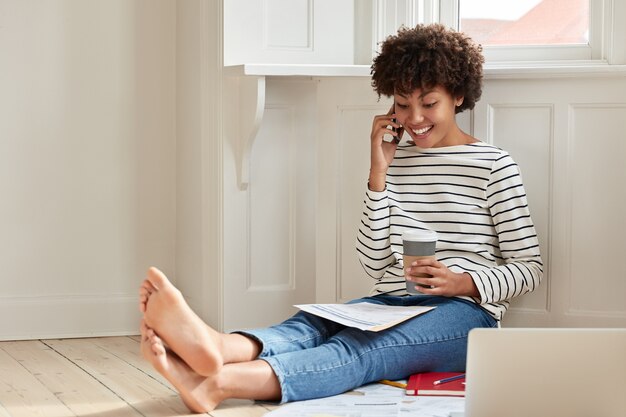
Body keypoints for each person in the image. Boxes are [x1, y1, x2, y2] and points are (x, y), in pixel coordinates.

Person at [138, 23, 543, 413]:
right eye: (403, 105)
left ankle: (217, 384)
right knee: (310, 325)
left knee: (364, 350)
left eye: (428, 103)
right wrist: (378, 174)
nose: (415, 118)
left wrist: (464, 282)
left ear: (457, 95)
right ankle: (217, 347)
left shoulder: (493, 165)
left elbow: (529, 268)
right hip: (392, 301)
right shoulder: (392, 164)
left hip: (465, 315)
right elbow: (372, 262)